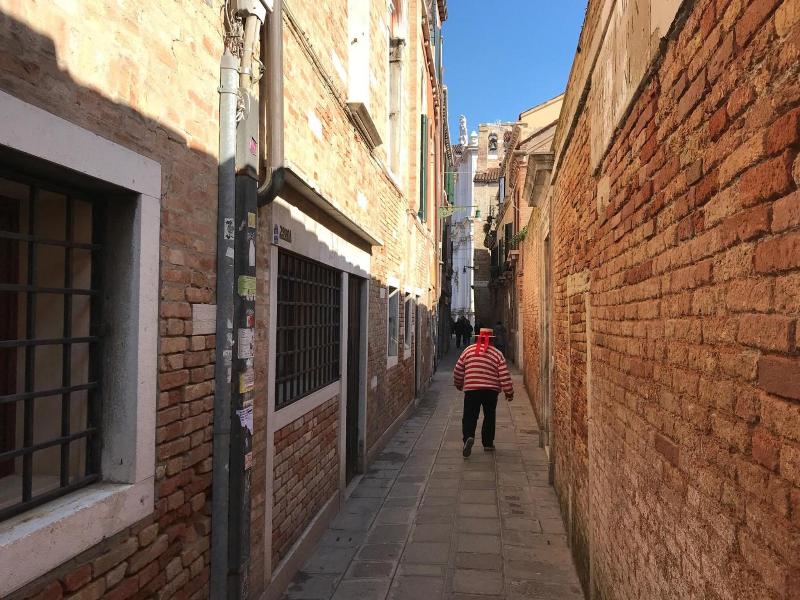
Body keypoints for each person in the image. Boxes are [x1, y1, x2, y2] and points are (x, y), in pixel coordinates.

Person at [453, 328, 514, 457]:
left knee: (469, 416)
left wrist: (459, 383)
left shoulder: (468, 351)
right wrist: (509, 392)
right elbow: (504, 374)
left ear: (478, 337)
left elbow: (458, 369)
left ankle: (468, 437)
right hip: (491, 391)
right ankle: (487, 443)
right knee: (489, 416)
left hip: (472, 390)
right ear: (491, 340)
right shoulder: (497, 354)